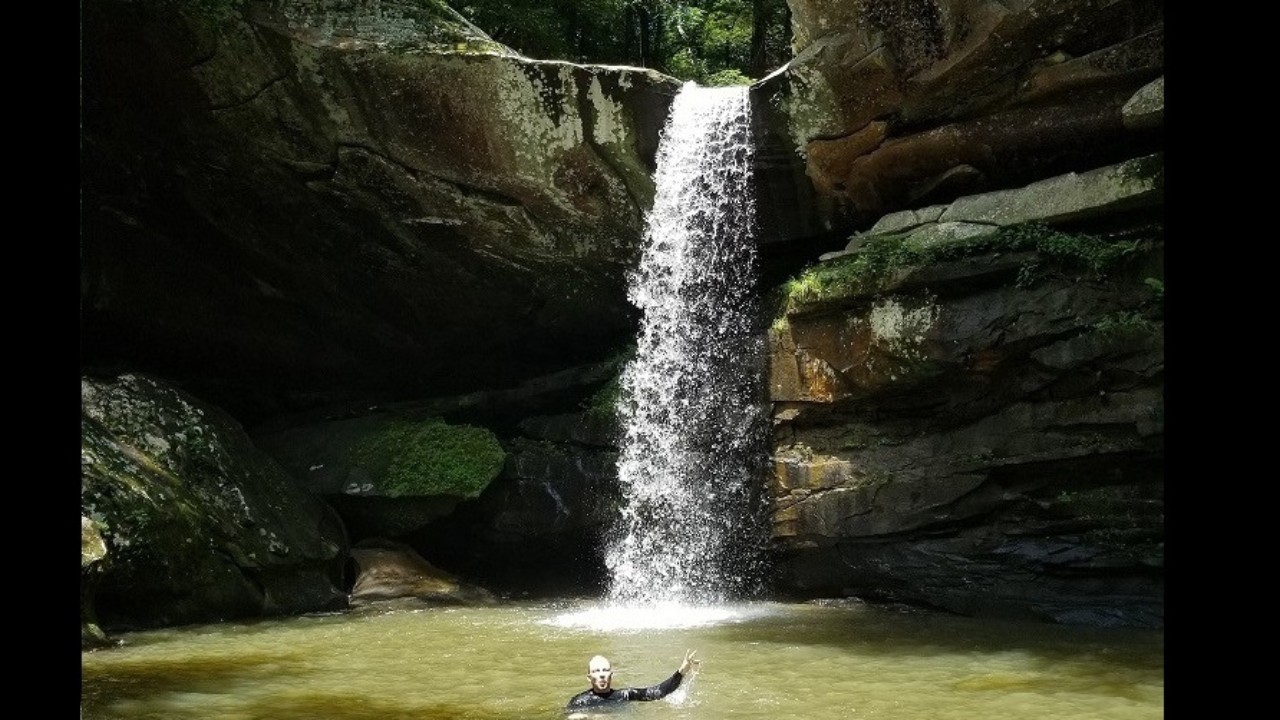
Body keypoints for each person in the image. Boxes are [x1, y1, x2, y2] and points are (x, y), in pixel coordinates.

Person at [565, 649, 700, 713]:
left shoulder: (625, 695)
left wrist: (682, 670)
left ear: (611, 674)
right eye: (596, 671)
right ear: (589, 677)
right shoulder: (579, 701)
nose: (601, 675)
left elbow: (658, 692)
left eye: (605, 670)